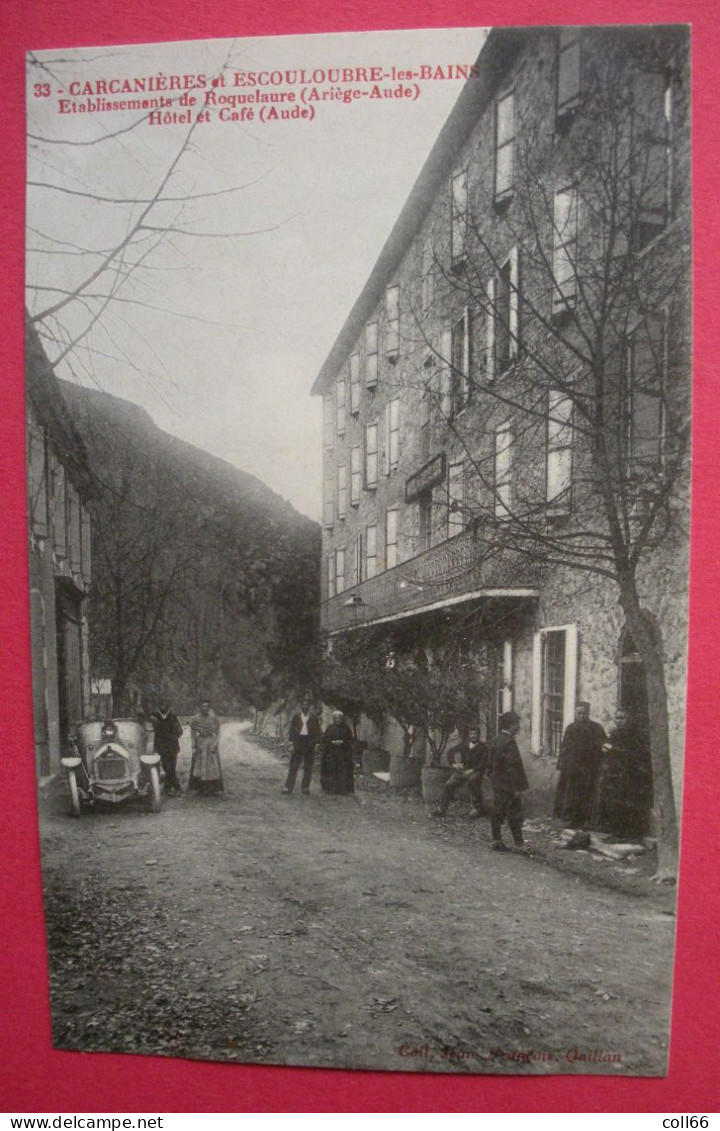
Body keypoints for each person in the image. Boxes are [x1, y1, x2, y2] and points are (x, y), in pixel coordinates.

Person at [590, 708, 653, 840]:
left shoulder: (635, 735)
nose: (619, 721)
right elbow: (610, 748)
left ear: (629, 719)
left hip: (631, 774)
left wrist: (614, 750)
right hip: (615, 774)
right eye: (617, 718)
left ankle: (628, 833)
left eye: (622, 718)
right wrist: (605, 747)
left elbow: (636, 755)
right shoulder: (615, 734)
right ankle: (615, 831)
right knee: (613, 802)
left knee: (627, 802)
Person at [553, 701, 607, 829]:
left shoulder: (596, 728)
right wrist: (561, 764)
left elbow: (602, 743)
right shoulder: (571, 728)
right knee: (571, 794)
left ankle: (585, 821)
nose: (581, 716)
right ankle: (570, 820)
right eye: (579, 713)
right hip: (572, 768)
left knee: (587, 794)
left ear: (588, 713)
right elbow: (564, 746)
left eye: (584, 713)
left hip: (589, 768)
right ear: (575, 714)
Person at [487, 711, 529, 851]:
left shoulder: (496, 739)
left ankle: (496, 839)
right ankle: (519, 843)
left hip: (498, 783)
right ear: (511, 725)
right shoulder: (509, 742)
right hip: (509, 786)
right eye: (517, 723)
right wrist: (516, 788)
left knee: (497, 811)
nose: (519, 726)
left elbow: (490, 763)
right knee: (515, 814)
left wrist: (493, 778)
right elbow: (512, 767)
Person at [431, 728, 489, 817]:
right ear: (469, 735)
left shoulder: (483, 747)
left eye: (475, 734)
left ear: (478, 735)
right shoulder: (464, 745)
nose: (473, 736)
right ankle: (442, 809)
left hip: (476, 771)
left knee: (473, 781)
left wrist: (472, 770)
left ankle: (478, 809)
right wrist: (454, 764)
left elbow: (483, 763)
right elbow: (450, 752)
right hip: (464, 770)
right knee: (449, 784)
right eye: (471, 733)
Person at [283, 698, 322, 795]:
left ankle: (305, 787)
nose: (305, 706)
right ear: (301, 706)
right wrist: (291, 743)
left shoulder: (313, 718)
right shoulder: (296, 717)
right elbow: (291, 730)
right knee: (294, 765)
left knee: (308, 766)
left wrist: (317, 744)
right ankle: (288, 787)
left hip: (309, 743)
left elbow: (318, 732)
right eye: (303, 705)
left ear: (310, 707)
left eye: (307, 705)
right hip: (298, 742)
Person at [188, 698, 223, 795]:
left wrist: (216, 743)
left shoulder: (214, 718)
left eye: (207, 706)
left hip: (211, 742)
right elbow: (193, 733)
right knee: (200, 764)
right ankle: (201, 787)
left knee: (212, 765)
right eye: (203, 706)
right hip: (200, 742)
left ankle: (212, 788)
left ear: (209, 707)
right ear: (200, 707)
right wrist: (193, 745)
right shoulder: (195, 719)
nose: (205, 708)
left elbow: (218, 732)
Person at [150, 699, 184, 795]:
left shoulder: (172, 717)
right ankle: (172, 787)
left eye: (165, 705)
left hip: (172, 746)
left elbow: (180, 732)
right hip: (161, 746)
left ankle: (171, 788)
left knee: (171, 768)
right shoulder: (154, 716)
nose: (163, 707)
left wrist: (172, 735)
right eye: (161, 705)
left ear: (168, 706)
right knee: (166, 767)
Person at [319, 710, 355, 795]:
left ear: (342, 719)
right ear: (333, 719)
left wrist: (343, 742)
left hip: (343, 752)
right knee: (331, 769)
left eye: (340, 718)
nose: (338, 719)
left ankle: (342, 790)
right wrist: (332, 742)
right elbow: (324, 739)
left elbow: (351, 740)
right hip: (331, 752)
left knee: (342, 770)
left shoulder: (346, 728)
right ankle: (330, 789)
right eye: (336, 718)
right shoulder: (330, 727)